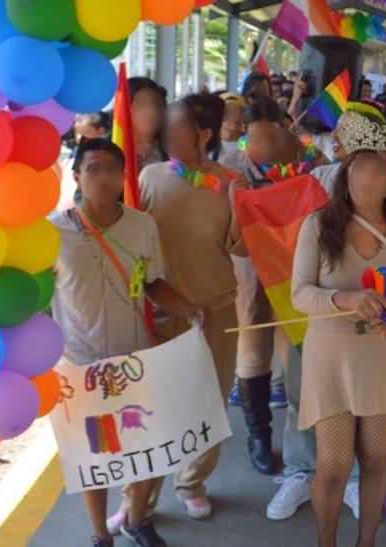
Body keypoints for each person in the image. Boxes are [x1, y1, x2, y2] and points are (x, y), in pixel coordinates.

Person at [50, 138, 208, 547]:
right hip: (78, 364)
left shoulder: (142, 226)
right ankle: (100, 534)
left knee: (148, 446)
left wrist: (190, 308)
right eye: (93, 168)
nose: (103, 177)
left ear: (124, 177)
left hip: (136, 360)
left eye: (111, 170)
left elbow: (153, 284)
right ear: (77, 176)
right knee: (93, 457)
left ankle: (138, 519)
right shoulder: (51, 232)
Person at [291, 122, 386, 547]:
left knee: (375, 459)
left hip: (385, 356)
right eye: (358, 168)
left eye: (377, 171)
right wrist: (344, 299)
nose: (365, 179)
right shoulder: (318, 225)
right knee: (332, 465)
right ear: (345, 173)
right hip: (332, 357)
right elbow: (300, 293)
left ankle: (365, 542)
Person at [123, 93, 244, 523]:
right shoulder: (150, 177)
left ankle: (192, 482)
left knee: (207, 402)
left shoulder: (231, 182)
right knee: (147, 410)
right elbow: (128, 238)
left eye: (178, 125)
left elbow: (245, 249)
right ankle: (136, 500)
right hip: (158, 312)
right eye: (167, 123)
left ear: (205, 134)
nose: (167, 132)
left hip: (215, 308)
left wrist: (237, 205)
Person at [220, 98, 300, 476]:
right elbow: (224, 231)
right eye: (257, 138)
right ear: (243, 137)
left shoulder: (302, 162)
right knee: (253, 351)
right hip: (249, 269)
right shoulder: (230, 170)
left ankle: (300, 445)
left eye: (272, 136)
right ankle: (259, 438)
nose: (265, 146)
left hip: (292, 268)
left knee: (296, 358)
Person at [128, 77, 169, 170]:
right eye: (141, 104)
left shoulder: (174, 146)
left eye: (156, 104)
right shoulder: (108, 148)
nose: (152, 111)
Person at [219, 94, 246, 160]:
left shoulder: (250, 144)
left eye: (240, 111)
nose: (235, 116)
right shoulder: (209, 146)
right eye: (228, 112)